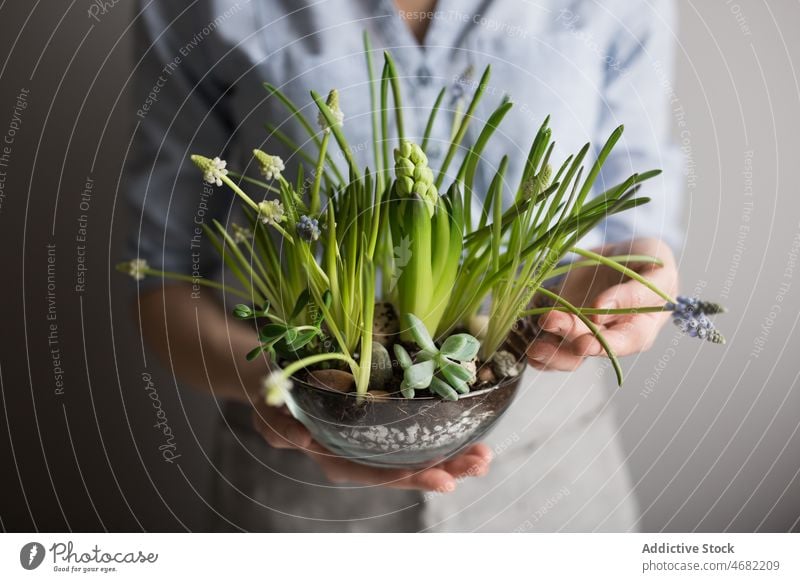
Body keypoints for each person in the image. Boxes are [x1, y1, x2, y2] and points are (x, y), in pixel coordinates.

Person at [127, 0, 681, 531]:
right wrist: (308, 402)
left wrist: (637, 280)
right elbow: (163, 275)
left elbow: (634, 207)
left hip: (550, 465)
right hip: (298, 486)